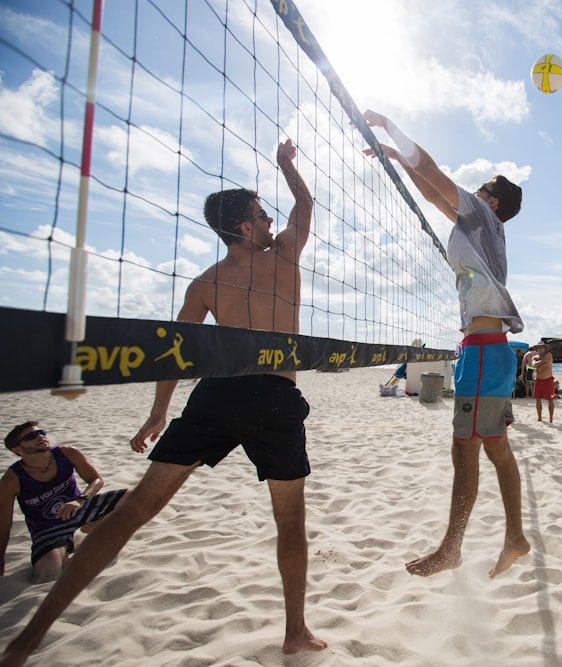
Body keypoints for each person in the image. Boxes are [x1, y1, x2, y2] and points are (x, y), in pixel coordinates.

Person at [1, 139, 327, 666]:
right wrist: (288, 165)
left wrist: (159, 412)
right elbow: (306, 207)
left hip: (216, 394)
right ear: (245, 227)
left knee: (133, 512)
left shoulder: (205, 283)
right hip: (273, 394)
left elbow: (175, 353)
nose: (271, 221)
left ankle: (29, 638)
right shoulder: (284, 256)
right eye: (262, 215)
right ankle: (295, 633)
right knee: (290, 523)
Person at [363, 110, 530, 579]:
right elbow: (431, 187)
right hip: (486, 351)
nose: (471, 192)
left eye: (480, 188)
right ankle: (513, 537)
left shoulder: (479, 215)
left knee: (466, 452)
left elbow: (435, 173)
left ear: (490, 200)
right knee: (494, 448)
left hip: (483, 354)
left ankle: (452, 548)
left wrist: (391, 129)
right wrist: (401, 162)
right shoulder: (480, 224)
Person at [1, 422, 127, 584]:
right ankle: (69, 543)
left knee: (132, 496)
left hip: (79, 510)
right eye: (31, 436)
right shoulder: (12, 480)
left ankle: (89, 527)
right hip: (48, 528)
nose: (40, 436)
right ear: (17, 450)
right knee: (48, 570)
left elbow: (96, 480)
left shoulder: (67, 453)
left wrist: (80, 500)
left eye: (41, 432)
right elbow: (3, 527)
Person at [532, 342, 556, 422]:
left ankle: (551, 418)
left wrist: (539, 367)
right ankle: (539, 417)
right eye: (538, 347)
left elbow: (544, 362)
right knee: (538, 399)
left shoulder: (548, 355)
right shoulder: (535, 356)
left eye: (542, 347)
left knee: (550, 399)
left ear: (545, 348)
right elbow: (533, 365)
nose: (540, 349)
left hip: (548, 380)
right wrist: (542, 365)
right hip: (538, 380)